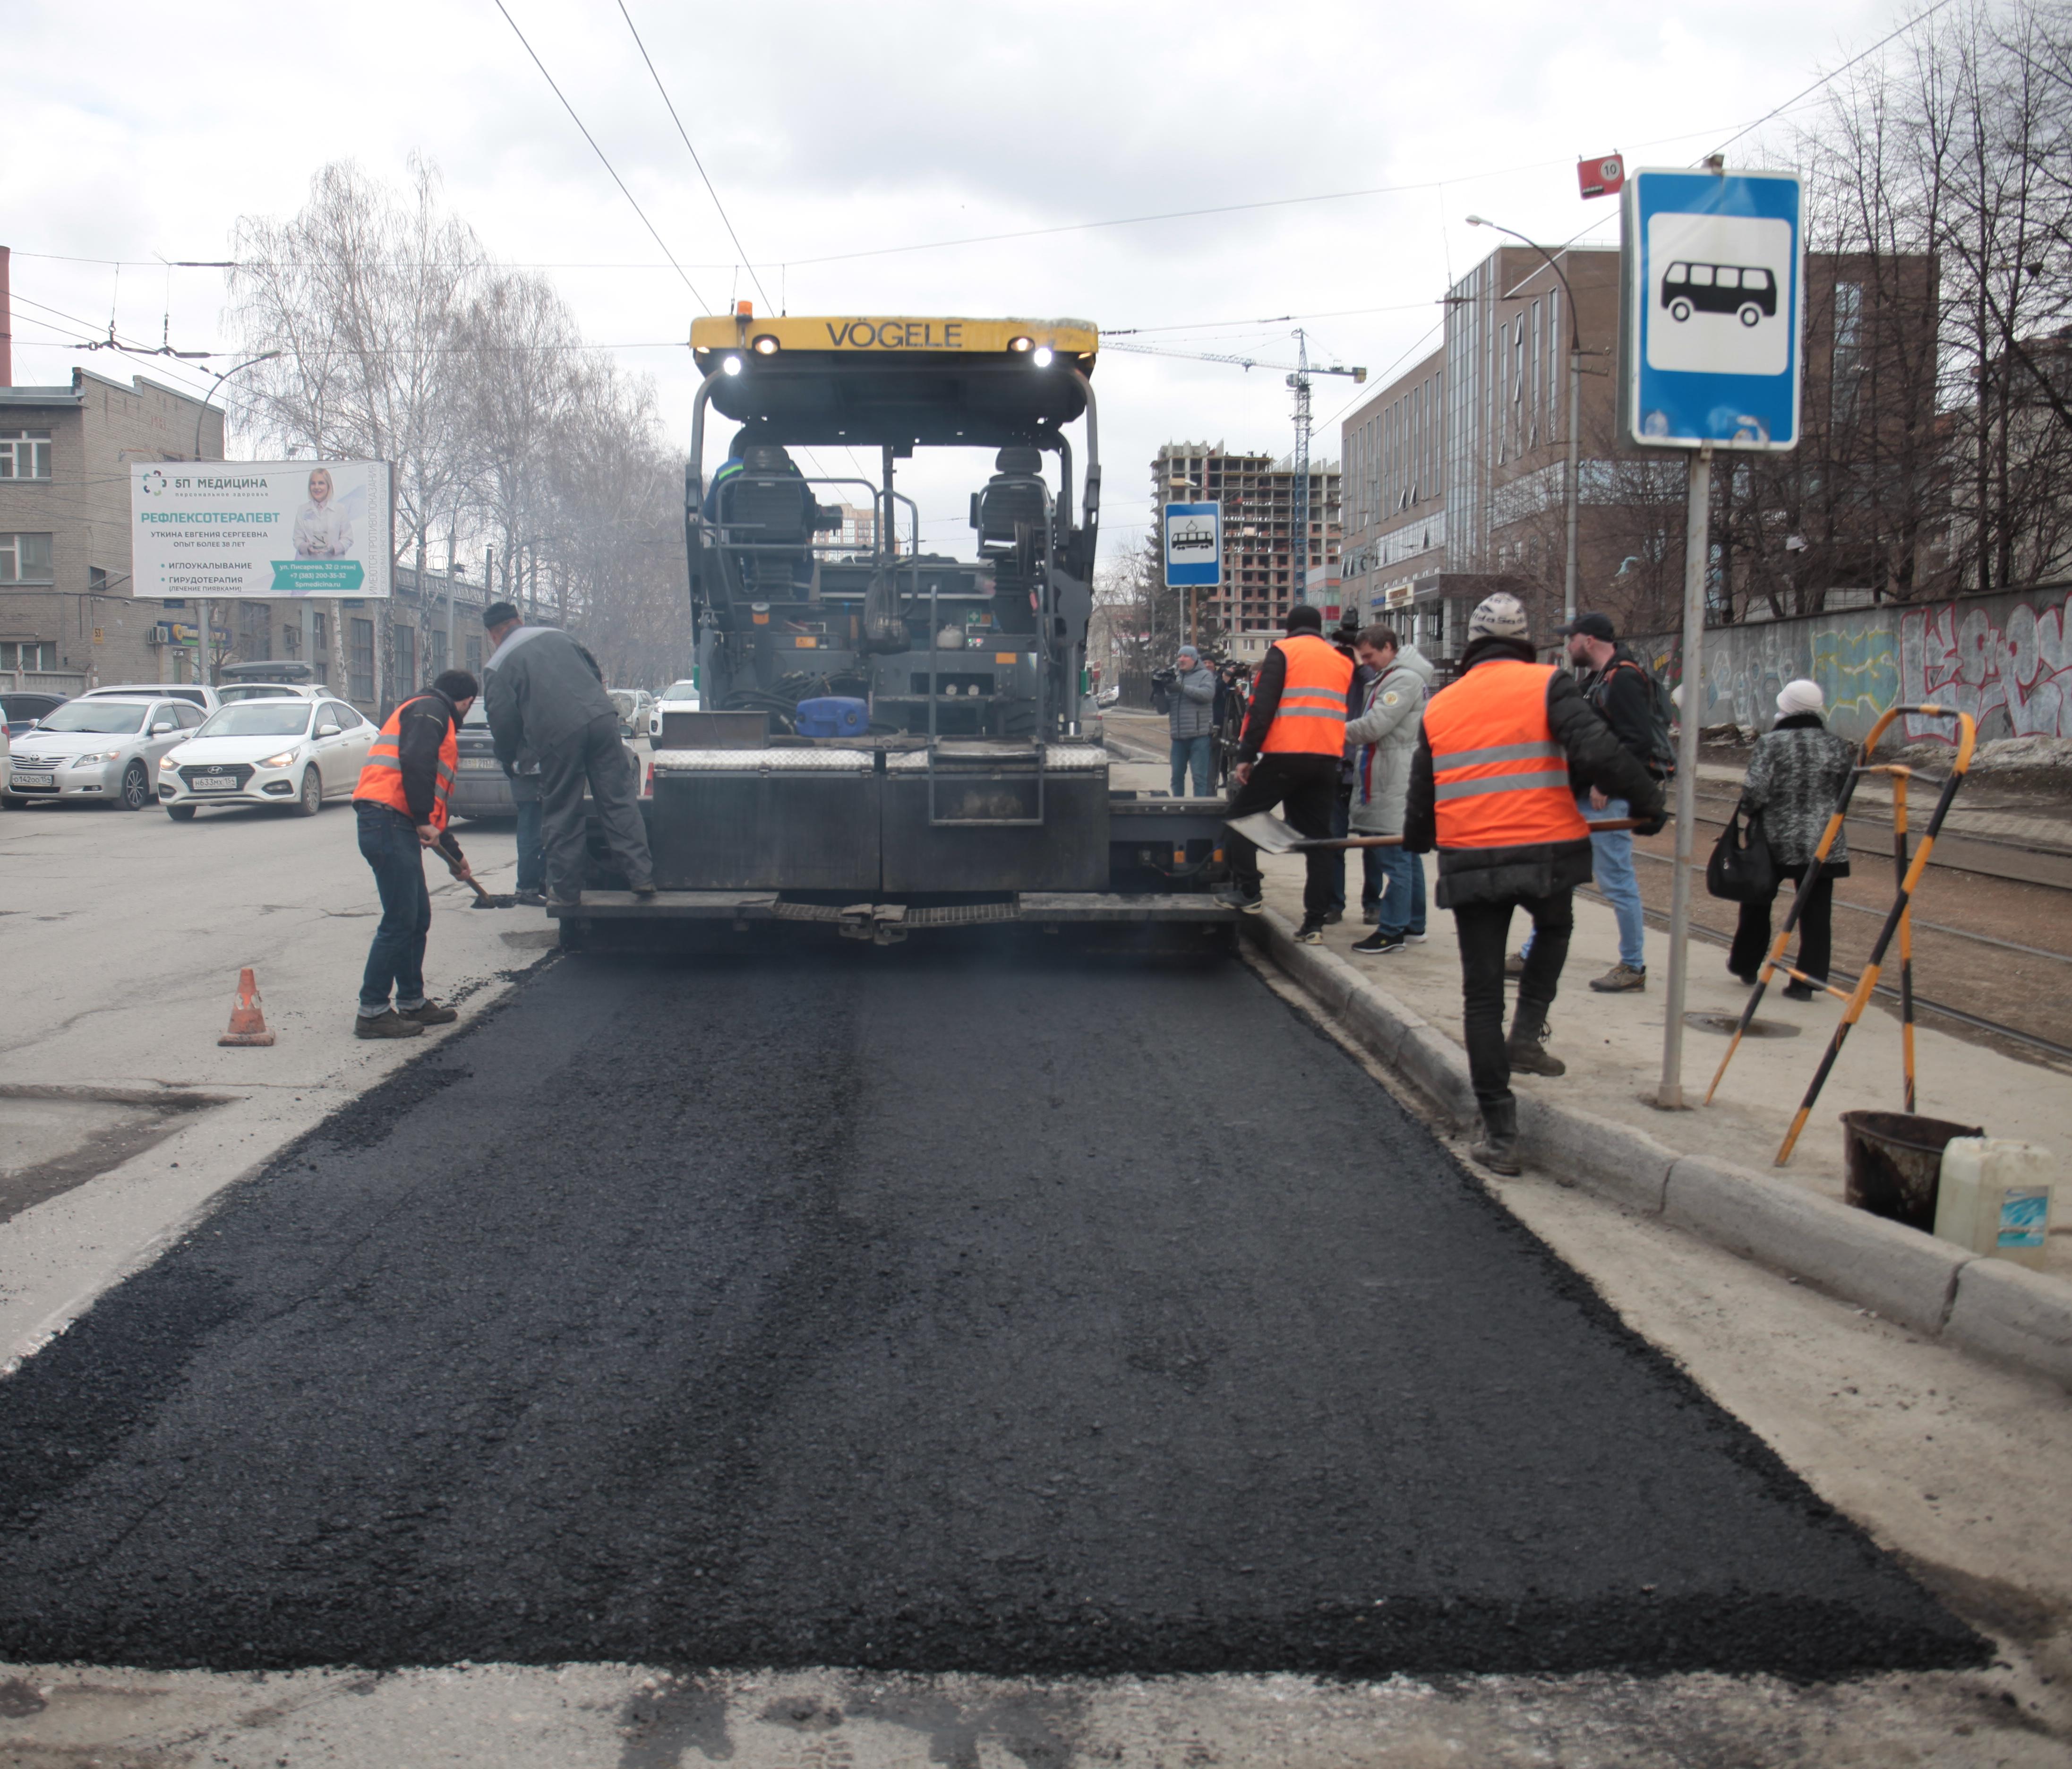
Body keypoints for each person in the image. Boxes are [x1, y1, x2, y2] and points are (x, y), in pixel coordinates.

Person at [1403, 593, 1665, 1173]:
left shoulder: (1441, 705)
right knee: (1554, 924)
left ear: (1472, 643)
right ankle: (1526, 1032)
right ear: (1523, 641)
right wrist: (1648, 803)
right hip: (1546, 852)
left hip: (1471, 858)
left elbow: (1424, 788)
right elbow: (1599, 749)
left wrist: (1417, 839)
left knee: (1480, 995)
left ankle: (1499, 1132)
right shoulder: (1548, 685)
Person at [1515, 611, 1665, 994]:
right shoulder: (1600, 678)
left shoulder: (1625, 678)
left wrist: (1606, 783)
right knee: (1557, 872)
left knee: (1617, 881)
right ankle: (1533, 951)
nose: (1568, 646)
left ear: (1589, 641)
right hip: (1582, 796)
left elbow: (1637, 740)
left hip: (1603, 800)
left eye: (1572, 639)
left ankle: (1633, 965)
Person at [481, 601, 656, 908]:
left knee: (563, 811)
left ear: (492, 635)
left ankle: (565, 892)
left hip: (558, 733)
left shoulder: (497, 665)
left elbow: (502, 719)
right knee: (618, 801)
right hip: (602, 719)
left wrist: (509, 757)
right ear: (519, 620)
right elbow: (593, 672)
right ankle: (641, 876)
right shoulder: (558, 635)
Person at [350, 670, 480, 1039]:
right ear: (467, 701)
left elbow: (432, 798)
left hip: (394, 821)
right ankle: (373, 1012)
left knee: (416, 916)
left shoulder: (428, 710)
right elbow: (417, 763)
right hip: (386, 820)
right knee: (400, 919)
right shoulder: (430, 711)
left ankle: (411, 1002)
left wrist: (454, 854)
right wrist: (422, 818)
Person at [1218, 602, 1355, 944]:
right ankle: (1314, 924)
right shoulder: (1340, 660)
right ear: (1319, 629)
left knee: (1240, 818)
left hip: (1286, 756)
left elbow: (1262, 707)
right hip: (1326, 759)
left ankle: (1250, 892)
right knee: (1317, 840)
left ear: (1289, 629)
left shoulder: (1284, 652)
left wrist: (1246, 756)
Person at [1728, 678, 1854, 1000]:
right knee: (1816, 912)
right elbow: (1845, 792)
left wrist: (1748, 810)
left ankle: (1746, 964)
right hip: (1823, 842)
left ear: (1786, 706)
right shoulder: (1838, 745)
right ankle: (1807, 981)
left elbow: (1755, 791)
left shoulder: (1771, 743)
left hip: (1774, 839)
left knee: (1757, 902)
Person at [1346, 623, 1435, 955]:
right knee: (1406, 857)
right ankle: (1413, 925)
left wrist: (1330, 731)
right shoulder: (1397, 677)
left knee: (1395, 859)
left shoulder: (1403, 679)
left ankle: (1392, 930)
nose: (1366, 662)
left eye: (1370, 656)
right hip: (1395, 774)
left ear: (1388, 648)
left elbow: (1375, 725)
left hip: (1393, 778)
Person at [1167, 643, 1216, 796]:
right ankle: (1177, 809)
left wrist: (1182, 688)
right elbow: (1162, 709)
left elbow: (1207, 695)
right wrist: (1158, 693)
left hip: (1199, 737)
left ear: (1194, 659)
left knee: (1200, 778)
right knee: (1176, 778)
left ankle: (1199, 810)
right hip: (1178, 737)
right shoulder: (1174, 676)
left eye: (1186, 656)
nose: (1181, 659)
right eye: (1179, 656)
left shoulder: (1205, 675)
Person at [292, 466, 353, 560]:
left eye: (321, 483)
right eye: (313, 484)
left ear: (329, 486)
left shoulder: (340, 509)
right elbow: (297, 539)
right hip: (310, 568)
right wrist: (307, 548)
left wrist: (333, 548)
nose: (317, 487)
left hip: (335, 567)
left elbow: (348, 539)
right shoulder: (303, 510)